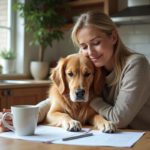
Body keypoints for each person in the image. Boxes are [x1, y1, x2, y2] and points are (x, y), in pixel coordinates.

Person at [1, 10, 150, 132]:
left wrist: (91, 97)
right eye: (84, 46)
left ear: (113, 37)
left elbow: (119, 119)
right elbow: (57, 99)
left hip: (141, 136)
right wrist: (23, 116)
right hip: (111, 137)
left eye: (96, 43)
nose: (90, 52)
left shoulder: (136, 65)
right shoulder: (91, 64)